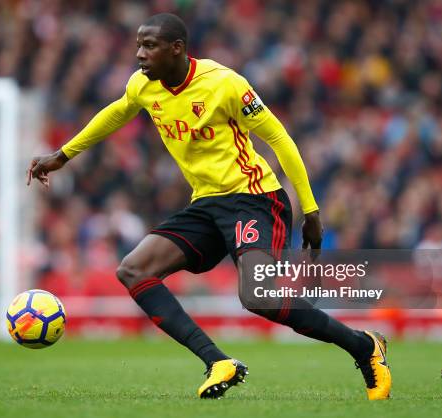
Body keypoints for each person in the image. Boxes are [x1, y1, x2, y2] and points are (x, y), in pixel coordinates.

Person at [27, 13, 391, 400]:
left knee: (257, 296)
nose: (139, 54)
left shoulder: (224, 84)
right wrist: (64, 155)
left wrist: (312, 210)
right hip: (206, 204)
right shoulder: (143, 87)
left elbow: (280, 138)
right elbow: (117, 112)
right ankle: (217, 361)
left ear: (177, 49)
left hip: (253, 199)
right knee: (133, 270)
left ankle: (364, 347)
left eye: (148, 46)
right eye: (138, 45)